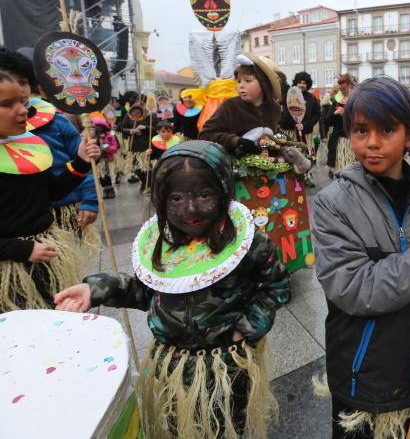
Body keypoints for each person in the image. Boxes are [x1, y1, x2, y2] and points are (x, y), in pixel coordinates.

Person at [55, 140, 290, 438]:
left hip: (227, 365)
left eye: (204, 195)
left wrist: (247, 326)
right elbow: (143, 290)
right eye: (176, 198)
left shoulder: (248, 243)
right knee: (180, 425)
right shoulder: (160, 243)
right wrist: (95, 290)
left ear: (224, 191)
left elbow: (276, 285)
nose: (190, 208)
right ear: (161, 199)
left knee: (228, 424)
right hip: (173, 366)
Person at [312, 76, 410, 439]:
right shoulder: (333, 203)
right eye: (361, 131)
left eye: (387, 130)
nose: (373, 143)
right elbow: (351, 286)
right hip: (360, 371)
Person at [0, 70, 100, 312]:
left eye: (22, 102)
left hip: (45, 257)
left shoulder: (29, 146)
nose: (23, 110)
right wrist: (23, 250)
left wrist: (80, 162)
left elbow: (51, 193)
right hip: (10, 269)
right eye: (7, 104)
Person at [0, 47, 99, 235]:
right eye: (6, 103)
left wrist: (89, 197)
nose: (19, 90)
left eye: (23, 82)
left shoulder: (57, 121)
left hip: (61, 219)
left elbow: (51, 189)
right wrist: (20, 249)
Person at [199, 53, 282, 156]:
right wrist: (236, 141)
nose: (241, 86)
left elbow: (275, 130)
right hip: (237, 167)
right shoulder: (230, 106)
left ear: (263, 83)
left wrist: (284, 140)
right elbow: (206, 134)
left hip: (270, 165)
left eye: (248, 80)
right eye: (238, 81)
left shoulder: (275, 108)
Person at [325, 73, 356, 178]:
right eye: (339, 84)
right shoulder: (337, 99)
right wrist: (335, 113)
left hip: (353, 140)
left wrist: (345, 114)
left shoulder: (357, 99)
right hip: (339, 140)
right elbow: (327, 120)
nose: (340, 87)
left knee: (353, 172)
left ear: (349, 85)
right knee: (341, 171)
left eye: (342, 84)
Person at [119, 103, 156, 192]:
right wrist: (130, 131)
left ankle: (149, 185)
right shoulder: (128, 118)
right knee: (136, 169)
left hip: (145, 147)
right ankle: (144, 182)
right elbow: (121, 128)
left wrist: (146, 127)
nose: (136, 114)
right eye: (133, 113)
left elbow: (156, 129)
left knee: (147, 168)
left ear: (142, 113)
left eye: (138, 112)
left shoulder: (149, 118)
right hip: (133, 148)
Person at [281, 71, 321, 139]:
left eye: (304, 83)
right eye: (299, 83)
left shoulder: (311, 97)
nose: (302, 85)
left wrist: (305, 125)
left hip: (306, 134)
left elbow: (317, 114)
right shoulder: (289, 95)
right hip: (291, 133)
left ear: (307, 85)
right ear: (296, 83)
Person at [92, 116, 119, 199]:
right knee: (100, 177)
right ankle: (105, 190)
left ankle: (111, 190)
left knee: (107, 175)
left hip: (106, 159)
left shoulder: (110, 136)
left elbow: (115, 147)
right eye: (96, 127)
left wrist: (105, 146)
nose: (98, 128)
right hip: (97, 161)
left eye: (100, 126)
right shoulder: (92, 137)